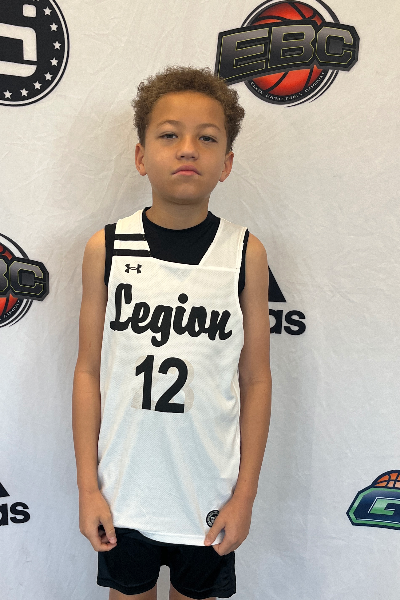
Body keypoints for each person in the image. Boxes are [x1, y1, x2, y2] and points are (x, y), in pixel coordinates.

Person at [72, 65, 271, 600]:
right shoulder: (106, 248)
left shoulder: (245, 254)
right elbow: (88, 371)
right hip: (124, 490)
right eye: (168, 135)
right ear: (141, 156)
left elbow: (256, 380)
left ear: (226, 163)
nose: (187, 149)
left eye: (206, 138)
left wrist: (245, 496)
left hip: (208, 492)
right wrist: (88, 488)